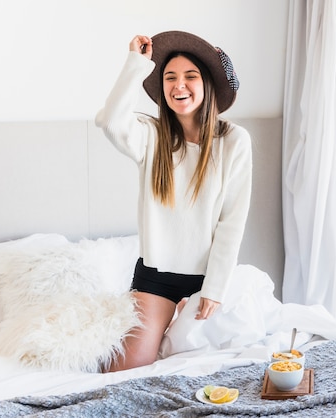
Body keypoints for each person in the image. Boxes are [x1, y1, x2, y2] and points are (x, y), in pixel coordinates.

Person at [95, 31, 252, 371]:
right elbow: (109, 122)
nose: (179, 85)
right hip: (156, 278)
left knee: (211, 372)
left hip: (208, 278)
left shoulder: (234, 141)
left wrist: (214, 288)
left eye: (190, 76)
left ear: (208, 84)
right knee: (123, 371)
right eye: (169, 78)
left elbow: (232, 221)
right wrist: (137, 64)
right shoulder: (150, 136)